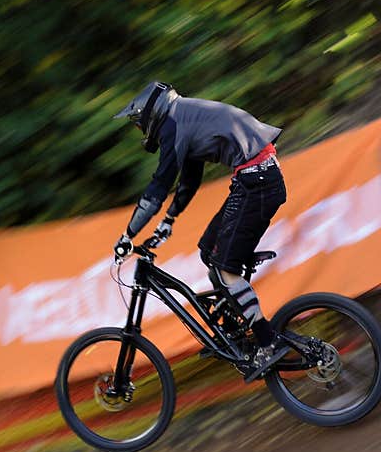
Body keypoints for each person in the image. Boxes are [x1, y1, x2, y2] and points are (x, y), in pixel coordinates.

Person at [112, 81, 287, 374]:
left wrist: (128, 235)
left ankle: (268, 342)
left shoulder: (172, 125)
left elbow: (159, 186)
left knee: (224, 268)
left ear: (150, 115)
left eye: (139, 124)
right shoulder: (184, 117)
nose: (141, 131)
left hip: (256, 182)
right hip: (254, 179)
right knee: (208, 249)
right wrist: (169, 220)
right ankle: (234, 330)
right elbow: (189, 181)